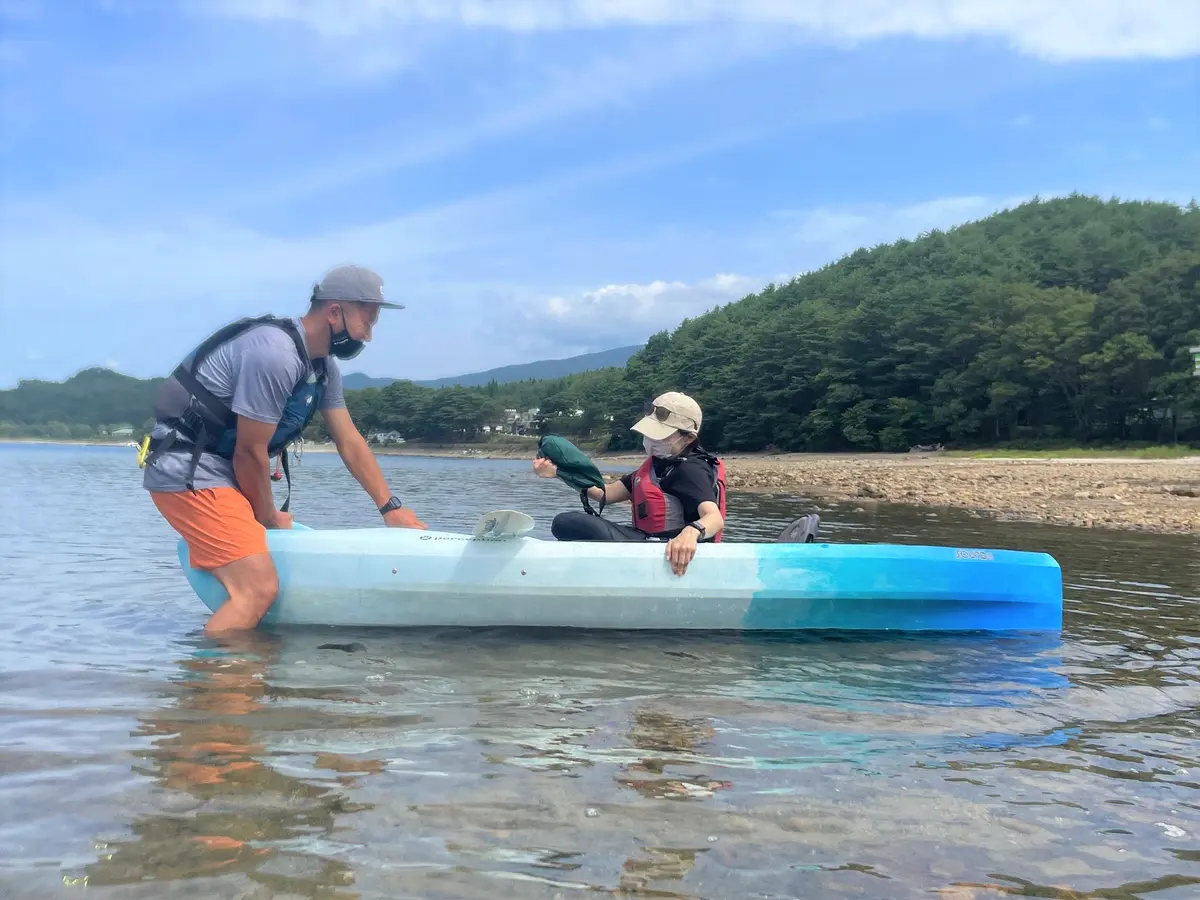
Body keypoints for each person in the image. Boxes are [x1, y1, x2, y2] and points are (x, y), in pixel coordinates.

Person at [143, 264, 427, 636]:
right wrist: (268, 517)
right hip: (188, 470)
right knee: (256, 589)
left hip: (222, 472)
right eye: (367, 323)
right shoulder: (275, 354)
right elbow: (249, 451)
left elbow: (349, 441)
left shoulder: (323, 368)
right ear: (335, 313)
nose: (368, 336)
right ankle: (211, 690)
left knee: (259, 581)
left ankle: (241, 675)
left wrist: (390, 507)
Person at [532, 392, 725, 576]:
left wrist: (691, 533)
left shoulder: (691, 470)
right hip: (646, 542)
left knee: (565, 522)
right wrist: (558, 472)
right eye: (650, 434)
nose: (651, 440)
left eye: (660, 435)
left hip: (665, 550)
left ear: (689, 438)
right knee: (568, 523)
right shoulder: (659, 464)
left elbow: (714, 518)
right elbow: (605, 494)